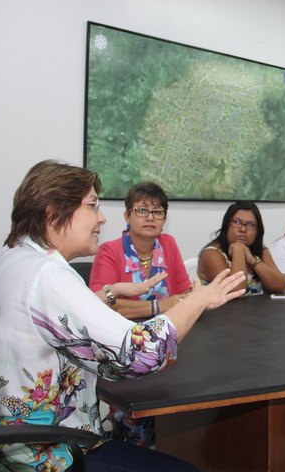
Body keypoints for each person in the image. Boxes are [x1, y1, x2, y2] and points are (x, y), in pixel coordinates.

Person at [0, 160, 245, 471]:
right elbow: (139, 355)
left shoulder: (4, 258)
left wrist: (107, 293)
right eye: (92, 205)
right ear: (54, 213)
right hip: (38, 452)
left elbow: (42, 321)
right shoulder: (48, 275)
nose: (102, 217)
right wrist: (197, 299)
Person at [88, 182, 192, 447]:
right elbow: (103, 306)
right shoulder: (110, 251)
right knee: (141, 418)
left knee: (184, 403)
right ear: (127, 215)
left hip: (167, 344)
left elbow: (182, 296)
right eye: (142, 210)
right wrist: (159, 307)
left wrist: (170, 304)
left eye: (158, 212)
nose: (150, 217)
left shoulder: (167, 244)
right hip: (122, 347)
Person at [197, 200, 285, 295]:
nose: (243, 229)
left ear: (257, 231)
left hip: (256, 309)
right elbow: (236, 291)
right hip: (221, 309)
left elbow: (279, 286)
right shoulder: (211, 254)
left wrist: (253, 261)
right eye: (236, 222)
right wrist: (238, 250)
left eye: (251, 225)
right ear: (226, 226)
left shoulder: (260, 251)